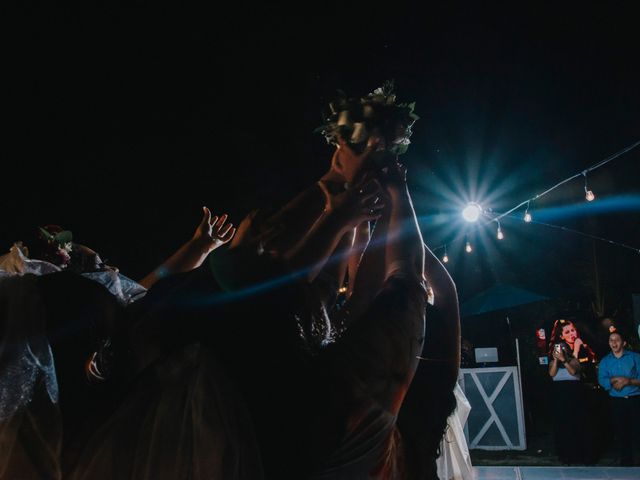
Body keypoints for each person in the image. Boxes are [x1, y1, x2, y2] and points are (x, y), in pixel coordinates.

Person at [547, 319, 592, 464]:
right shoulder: (558, 354)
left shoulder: (579, 351)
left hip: (574, 392)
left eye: (573, 330)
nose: (572, 334)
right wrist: (556, 359)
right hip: (560, 393)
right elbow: (552, 374)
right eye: (567, 332)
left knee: (578, 423)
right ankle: (565, 455)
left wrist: (570, 355)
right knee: (563, 425)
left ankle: (581, 455)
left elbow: (574, 370)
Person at [597, 330, 640, 465]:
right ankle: (626, 461)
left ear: (624, 343)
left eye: (617, 340)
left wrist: (628, 381)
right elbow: (601, 379)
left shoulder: (635, 357)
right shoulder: (605, 361)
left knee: (637, 430)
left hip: (634, 399)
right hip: (617, 401)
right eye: (611, 340)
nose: (613, 343)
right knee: (621, 431)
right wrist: (612, 380)